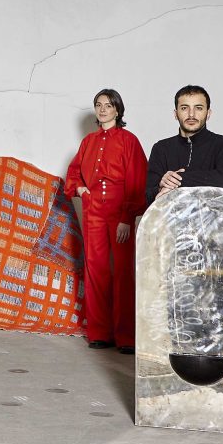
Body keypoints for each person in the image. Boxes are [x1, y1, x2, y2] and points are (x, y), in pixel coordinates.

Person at [66, 88, 148, 354]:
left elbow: (137, 181)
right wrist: (80, 190)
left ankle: (126, 336)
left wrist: (127, 217)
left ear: (117, 110)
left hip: (119, 208)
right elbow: (74, 172)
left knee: (123, 271)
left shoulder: (129, 140)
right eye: (99, 105)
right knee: (96, 269)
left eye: (109, 105)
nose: (103, 109)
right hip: (93, 210)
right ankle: (100, 332)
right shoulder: (88, 142)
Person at [145, 84, 223, 206]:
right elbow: (148, 196)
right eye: (184, 108)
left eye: (199, 108)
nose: (191, 114)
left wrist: (176, 179)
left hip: (213, 223)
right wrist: (160, 188)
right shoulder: (161, 148)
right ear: (175, 114)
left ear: (208, 113)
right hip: (171, 223)